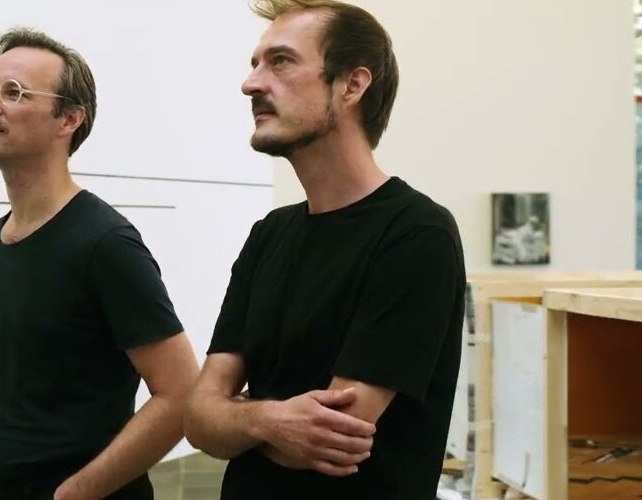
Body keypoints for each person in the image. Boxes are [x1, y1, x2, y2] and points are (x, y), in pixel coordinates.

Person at [183, 1, 466, 499]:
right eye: (255, 64)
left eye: (281, 61)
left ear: (352, 85)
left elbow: (331, 437)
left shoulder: (416, 234)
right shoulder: (269, 234)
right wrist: (270, 420)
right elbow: (197, 418)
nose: (251, 84)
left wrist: (237, 416)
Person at [0, 28, 198, 500]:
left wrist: (76, 492)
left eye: (14, 92)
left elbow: (181, 394)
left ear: (69, 119)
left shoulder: (106, 244)